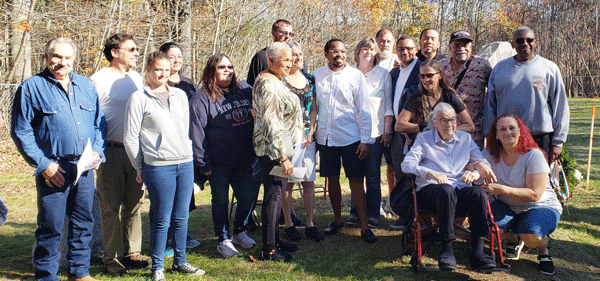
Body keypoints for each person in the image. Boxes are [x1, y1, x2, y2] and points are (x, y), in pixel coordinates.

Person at [11, 37, 104, 281]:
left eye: (67, 58)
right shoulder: (31, 88)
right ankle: (46, 276)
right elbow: (21, 131)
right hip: (54, 168)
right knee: (51, 227)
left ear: (74, 59)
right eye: (57, 57)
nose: (62, 62)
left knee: (84, 222)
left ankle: (80, 272)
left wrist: (97, 150)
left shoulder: (86, 85)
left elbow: (99, 124)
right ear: (46, 57)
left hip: (83, 167)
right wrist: (44, 165)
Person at [123, 51, 204, 281]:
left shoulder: (179, 95)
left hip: (184, 163)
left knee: (182, 217)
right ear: (148, 68)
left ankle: (180, 261)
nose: (162, 74)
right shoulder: (139, 98)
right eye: (158, 69)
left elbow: (186, 129)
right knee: (162, 217)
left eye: (167, 70)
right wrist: (140, 167)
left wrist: (189, 154)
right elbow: (131, 138)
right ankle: (157, 266)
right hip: (158, 166)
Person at [401, 102, 496, 271]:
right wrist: (429, 173)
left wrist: (475, 173)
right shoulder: (424, 139)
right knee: (445, 190)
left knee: (478, 193)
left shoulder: (465, 139)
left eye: (453, 120)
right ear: (434, 122)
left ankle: (478, 251)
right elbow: (406, 164)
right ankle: (447, 250)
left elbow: (483, 163)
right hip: (432, 193)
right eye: (444, 120)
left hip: (457, 191)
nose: (449, 125)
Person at [89, 33, 150, 276]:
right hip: (110, 151)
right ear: (115, 53)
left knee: (135, 204)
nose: (137, 53)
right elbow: (91, 118)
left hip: (136, 151)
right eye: (132, 49)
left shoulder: (136, 78)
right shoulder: (98, 80)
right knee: (110, 207)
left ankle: (132, 252)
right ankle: (111, 258)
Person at [189, 54, 257, 258]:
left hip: (245, 159)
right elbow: (196, 132)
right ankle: (223, 238)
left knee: (248, 197)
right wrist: (203, 163)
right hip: (217, 162)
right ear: (212, 70)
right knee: (220, 201)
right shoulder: (202, 97)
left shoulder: (244, 89)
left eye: (230, 66)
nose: (227, 70)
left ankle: (239, 231)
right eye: (221, 67)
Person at [312, 38, 377, 243]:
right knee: (332, 179)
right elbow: (312, 105)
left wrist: (365, 140)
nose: (338, 54)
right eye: (333, 51)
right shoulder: (317, 75)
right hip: (326, 137)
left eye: (342, 51)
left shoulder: (355, 76)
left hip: (351, 137)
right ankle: (337, 220)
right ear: (326, 54)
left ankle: (364, 226)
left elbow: (364, 109)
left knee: (356, 180)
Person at [481, 114, 563, 275]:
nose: (508, 132)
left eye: (512, 128)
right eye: (502, 129)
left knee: (531, 235)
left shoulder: (533, 155)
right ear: (496, 135)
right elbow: (474, 164)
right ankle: (513, 238)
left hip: (539, 206)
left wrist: (501, 189)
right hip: (506, 205)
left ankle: (543, 251)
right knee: (489, 231)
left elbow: (534, 195)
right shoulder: (490, 153)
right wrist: (475, 167)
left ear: (520, 131)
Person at [484, 26, 569, 163]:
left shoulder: (549, 68)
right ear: (513, 44)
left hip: (539, 136)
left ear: (536, 42)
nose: (525, 43)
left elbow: (560, 107)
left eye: (529, 40)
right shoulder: (499, 69)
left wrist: (558, 142)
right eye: (520, 40)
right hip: (507, 136)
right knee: (509, 178)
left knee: (537, 181)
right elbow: (490, 106)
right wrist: (489, 137)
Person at [253, 42, 304, 262]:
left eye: (292, 59)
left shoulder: (275, 79)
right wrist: (281, 157)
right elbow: (270, 122)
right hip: (273, 149)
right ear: (271, 61)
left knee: (276, 194)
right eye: (285, 60)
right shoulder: (268, 84)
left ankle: (275, 239)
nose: (290, 63)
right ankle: (269, 249)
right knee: (273, 196)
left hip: (281, 146)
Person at [158, 42, 201, 254]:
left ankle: (182, 235)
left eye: (179, 56)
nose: (177, 60)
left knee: (185, 197)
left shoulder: (189, 84)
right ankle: (166, 240)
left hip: (187, 144)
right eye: (171, 56)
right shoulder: (159, 83)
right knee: (168, 198)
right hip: (165, 147)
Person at [280, 41, 324, 242]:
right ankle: (288, 223)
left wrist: (311, 131)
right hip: (287, 137)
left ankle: (310, 223)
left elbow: (314, 107)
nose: (297, 58)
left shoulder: (310, 79)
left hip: (307, 138)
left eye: (299, 54)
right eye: (292, 55)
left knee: (308, 181)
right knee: (287, 182)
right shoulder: (279, 80)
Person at [346, 37, 392, 229]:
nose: (368, 52)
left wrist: (387, 130)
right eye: (364, 49)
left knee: (372, 176)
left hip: (375, 133)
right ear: (357, 52)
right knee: (355, 176)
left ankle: (373, 214)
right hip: (351, 133)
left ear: (376, 53)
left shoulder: (383, 74)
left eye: (371, 49)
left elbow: (388, 105)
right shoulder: (348, 73)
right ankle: (355, 212)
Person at [387, 35, 422, 229]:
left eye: (408, 48)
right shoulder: (394, 73)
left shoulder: (423, 70)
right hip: (398, 133)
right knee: (401, 175)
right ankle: (406, 215)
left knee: (418, 175)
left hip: (418, 132)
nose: (404, 52)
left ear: (415, 49)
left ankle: (422, 217)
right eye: (400, 49)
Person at [439, 30, 492, 149]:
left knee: (472, 166)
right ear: (449, 47)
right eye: (456, 45)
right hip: (445, 132)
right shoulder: (441, 65)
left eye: (465, 45)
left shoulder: (482, 65)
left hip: (473, 133)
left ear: (471, 47)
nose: (461, 48)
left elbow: (494, 93)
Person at [247, 19, 295, 86]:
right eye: (283, 33)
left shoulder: (296, 57)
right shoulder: (262, 56)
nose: (287, 36)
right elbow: (252, 85)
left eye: (290, 34)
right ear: (273, 33)